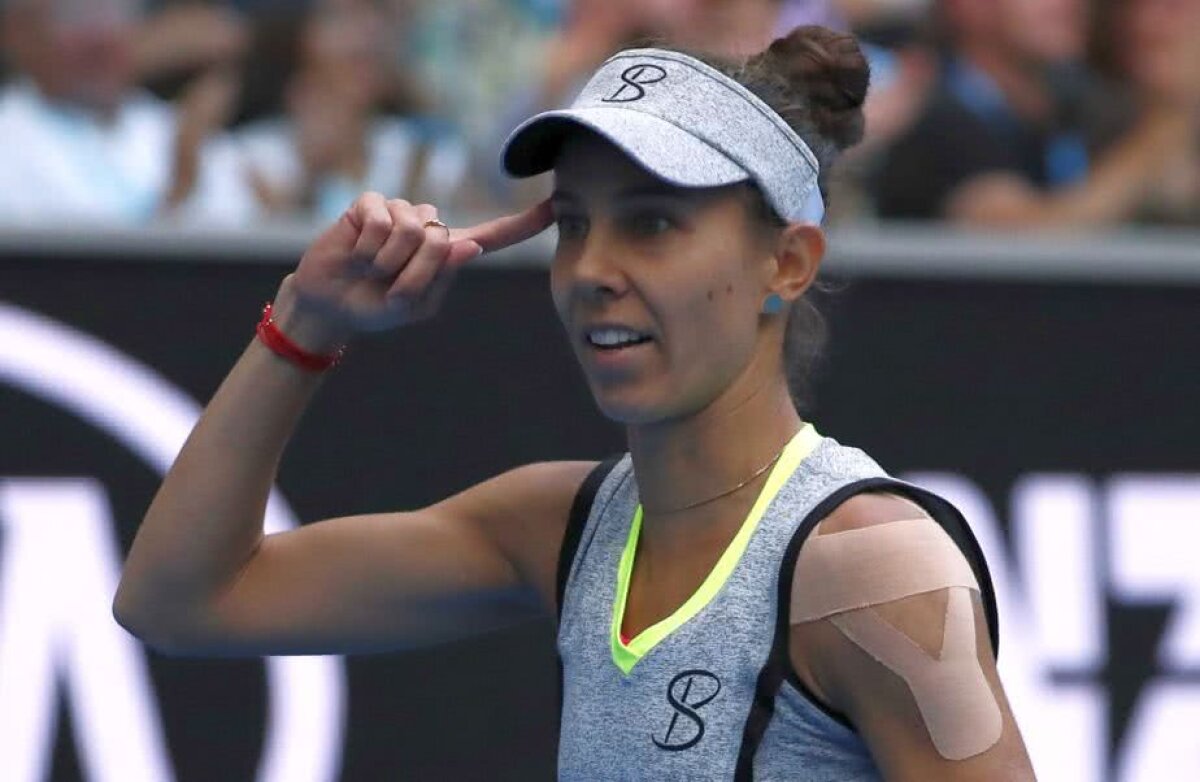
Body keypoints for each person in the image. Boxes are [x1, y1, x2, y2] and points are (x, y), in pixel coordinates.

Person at [114, 25, 1035, 780]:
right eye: (574, 224)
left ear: (785, 264)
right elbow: (181, 602)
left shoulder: (872, 564)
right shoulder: (561, 524)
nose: (592, 271)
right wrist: (304, 326)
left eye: (652, 223)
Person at [872, 0, 1191, 227]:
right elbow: (1026, 239)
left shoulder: (1078, 103)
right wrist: (1169, 121)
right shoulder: (931, 110)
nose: (1068, 5)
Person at [0, 0, 257, 225]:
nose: (103, 36)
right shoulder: (8, 143)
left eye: (114, 12)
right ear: (18, 32)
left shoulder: (176, 127)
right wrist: (180, 188)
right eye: (77, 17)